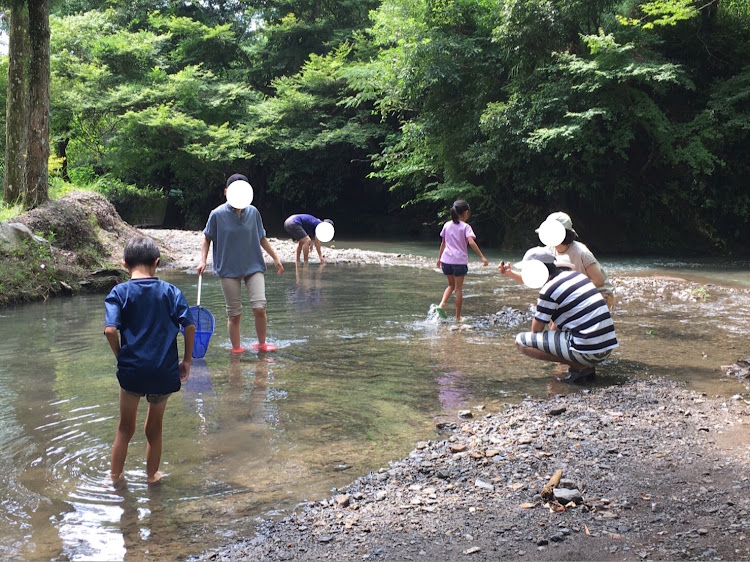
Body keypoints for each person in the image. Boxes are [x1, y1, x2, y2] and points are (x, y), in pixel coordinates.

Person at [104, 237, 196, 487]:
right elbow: (189, 325)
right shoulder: (171, 291)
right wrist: (186, 361)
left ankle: (114, 480)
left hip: (131, 371)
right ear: (157, 262)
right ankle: (152, 477)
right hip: (163, 372)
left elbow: (110, 330)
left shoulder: (119, 292)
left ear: (124, 264)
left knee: (125, 428)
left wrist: (120, 357)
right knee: (154, 429)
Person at [198, 173, 284, 353]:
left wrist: (275, 258)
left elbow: (262, 238)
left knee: (260, 307)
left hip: (253, 266)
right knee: (234, 314)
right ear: (226, 192)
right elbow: (206, 239)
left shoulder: (253, 212)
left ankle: (261, 345)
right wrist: (203, 261)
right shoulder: (217, 214)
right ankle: (236, 350)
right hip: (228, 269)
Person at [513, 247, 618, 382]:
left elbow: (536, 329)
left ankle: (579, 366)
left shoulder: (549, 290)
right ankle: (581, 362)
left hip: (589, 351)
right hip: (606, 348)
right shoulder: (577, 276)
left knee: (521, 342)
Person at [500, 211, 613, 307]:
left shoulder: (582, 252)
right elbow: (535, 278)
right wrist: (509, 273)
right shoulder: (547, 253)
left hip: (599, 293)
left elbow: (599, 281)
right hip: (571, 293)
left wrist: (568, 289)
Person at [436, 199, 489, 321]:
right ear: (466, 212)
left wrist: (439, 259)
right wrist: (482, 257)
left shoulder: (447, 225)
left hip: (446, 261)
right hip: (459, 262)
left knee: (450, 285)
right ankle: (458, 317)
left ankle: (442, 304)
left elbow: (443, 244)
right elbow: (471, 242)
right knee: (458, 289)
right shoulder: (466, 227)